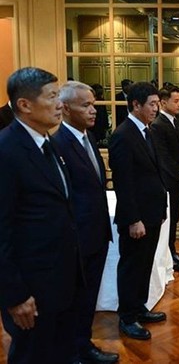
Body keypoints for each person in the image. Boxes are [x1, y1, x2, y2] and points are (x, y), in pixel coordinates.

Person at [0, 67, 82, 362]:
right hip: (31, 290)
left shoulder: (48, 144)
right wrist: (15, 294)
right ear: (25, 105)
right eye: (52, 96)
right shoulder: (7, 151)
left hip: (60, 283)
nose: (60, 103)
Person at [52, 81, 119, 363]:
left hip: (96, 234)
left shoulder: (88, 137)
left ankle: (83, 344)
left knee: (88, 297)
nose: (93, 111)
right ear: (65, 108)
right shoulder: (58, 144)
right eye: (86, 105)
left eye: (94, 104)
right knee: (75, 300)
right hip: (77, 239)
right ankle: (73, 351)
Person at [108, 81, 168, 340]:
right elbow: (124, 182)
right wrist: (133, 219)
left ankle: (139, 306)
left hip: (152, 213)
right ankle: (127, 317)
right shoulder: (123, 135)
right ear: (135, 104)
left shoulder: (147, 131)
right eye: (152, 104)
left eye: (157, 103)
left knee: (145, 263)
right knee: (132, 265)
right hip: (138, 217)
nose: (156, 108)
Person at [151, 85, 179, 272]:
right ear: (163, 102)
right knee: (168, 219)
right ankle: (167, 255)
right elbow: (163, 157)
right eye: (175, 101)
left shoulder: (176, 122)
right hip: (169, 181)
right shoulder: (157, 125)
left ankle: (173, 251)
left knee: (174, 218)